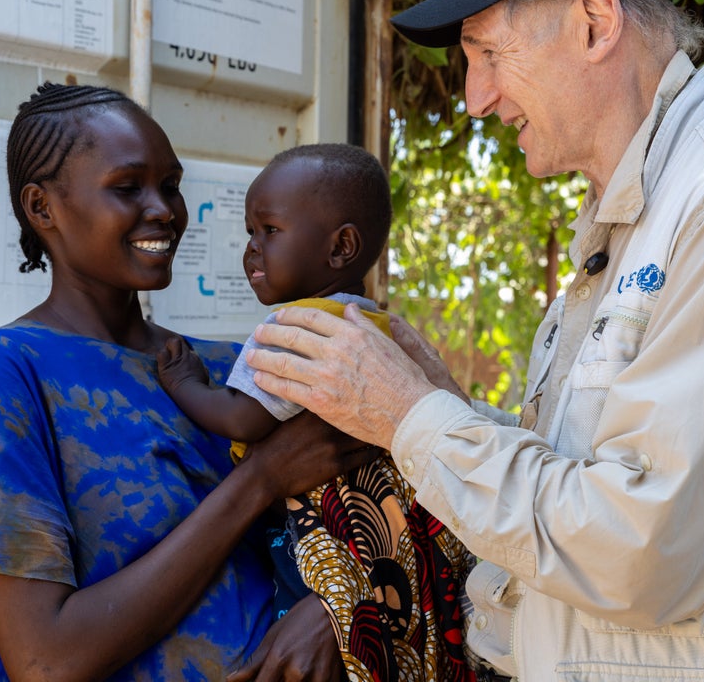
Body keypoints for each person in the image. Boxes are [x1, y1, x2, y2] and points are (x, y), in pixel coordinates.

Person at [240, 0, 704, 681]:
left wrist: (414, 417)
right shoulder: (635, 214)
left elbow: (642, 552)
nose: (475, 99)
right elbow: (584, 484)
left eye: (487, 53)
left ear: (594, 22)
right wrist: (445, 407)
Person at [0, 83, 381, 682]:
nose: (165, 209)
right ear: (43, 209)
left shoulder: (234, 369)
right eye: (127, 187)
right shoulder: (3, 369)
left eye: (170, 185)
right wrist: (261, 479)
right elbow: (46, 659)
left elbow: (371, 512)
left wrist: (335, 608)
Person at [155, 143, 475, 682]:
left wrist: (185, 383)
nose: (251, 249)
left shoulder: (300, 328)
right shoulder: (371, 324)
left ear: (341, 247)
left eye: (269, 231)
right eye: (250, 233)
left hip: (323, 537)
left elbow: (244, 419)